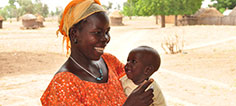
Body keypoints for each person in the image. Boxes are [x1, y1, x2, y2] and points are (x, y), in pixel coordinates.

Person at [40, 0, 154, 105]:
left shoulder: (110, 61)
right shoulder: (63, 84)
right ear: (74, 34)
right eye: (97, 32)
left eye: (107, 32)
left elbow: (137, 82)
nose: (106, 38)